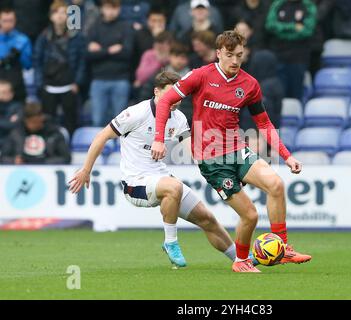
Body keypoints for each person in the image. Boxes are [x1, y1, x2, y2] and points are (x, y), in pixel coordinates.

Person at [151, 30, 312, 273]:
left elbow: (264, 124)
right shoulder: (200, 75)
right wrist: (159, 139)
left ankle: (284, 247)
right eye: (229, 55)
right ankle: (240, 261)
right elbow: (164, 101)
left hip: (237, 149)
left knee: (276, 185)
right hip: (211, 158)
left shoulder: (249, 84)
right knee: (250, 215)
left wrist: (287, 155)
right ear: (218, 54)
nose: (235, 61)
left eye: (239, 55)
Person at [68, 71, 238, 268]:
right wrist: (86, 170)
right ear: (156, 91)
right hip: (135, 183)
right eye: (170, 94)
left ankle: (240, 259)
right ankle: (171, 242)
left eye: (179, 95)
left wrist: (219, 161)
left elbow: (191, 148)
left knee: (208, 219)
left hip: (161, 177)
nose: (175, 100)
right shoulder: (136, 113)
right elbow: (101, 136)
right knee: (174, 187)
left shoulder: (179, 118)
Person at [34, 0, 86, 137]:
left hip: (69, 86)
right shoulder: (43, 37)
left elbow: (82, 61)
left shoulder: (77, 37)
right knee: (47, 120)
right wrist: (41, 84)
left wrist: (77, 83)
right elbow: (37, 61)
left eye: (64, 13)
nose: (60, 16)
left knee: (71, 120)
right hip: (49, 86)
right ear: (51, 16)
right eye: (57, 12)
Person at [86, 0, 134, 127]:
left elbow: (127, 54)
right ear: (102, 9)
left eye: (114, 8)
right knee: (97, 121)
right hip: (98, 80)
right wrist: (109, 50)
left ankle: (119, 148)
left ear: (119, 9)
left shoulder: (126, 27)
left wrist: (100, 50)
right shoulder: (94, 27)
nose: (111, 11)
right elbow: (89, 55)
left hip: (121, 80)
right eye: (108, 8)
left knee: (120, 124)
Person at [265, 0, 317, 103]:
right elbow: (270, 25)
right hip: (279, 57)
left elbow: (307, 30)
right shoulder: (278, 4)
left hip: (299, 59)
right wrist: (293, 27)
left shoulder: (308, 6)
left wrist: (282, 30)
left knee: (296, 97)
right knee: (279, 97)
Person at [0, 102, 71, 164]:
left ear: (42, 117)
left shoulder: (54, 132)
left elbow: (66, 158)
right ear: (25, 120)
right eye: (33, 122)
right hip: (21, 170)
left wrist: (43, 162)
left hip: (47, 170)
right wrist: (13, 160)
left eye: (38, 121)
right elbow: (3, 158)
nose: (36, 124)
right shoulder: (15, 133)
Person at [0, 7, 32, 102]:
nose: (8, 24)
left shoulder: (22, 40)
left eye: (11, 20)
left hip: (16, 83)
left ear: (15, 21)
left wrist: (20, 54)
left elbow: (28, 65)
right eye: (5, 20)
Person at [0, 79, 22, 148]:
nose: (7, 94)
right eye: (3, 92)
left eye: (9, 91)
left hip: (11, 142)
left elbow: (13, 125)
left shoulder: (17, 106)